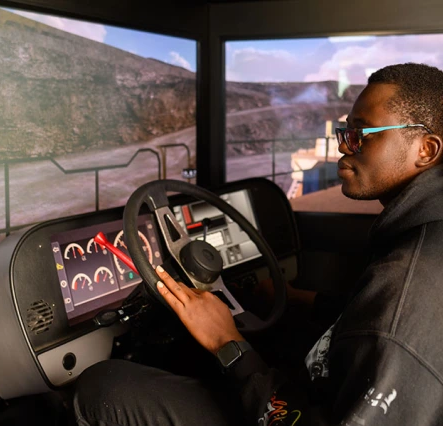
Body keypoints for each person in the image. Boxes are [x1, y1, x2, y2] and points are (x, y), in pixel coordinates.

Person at [73, 63, 443, 425]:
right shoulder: (418, 239)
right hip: (320, 388)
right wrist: (305, 300)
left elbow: (388, 329)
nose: (345, 147)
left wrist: (226, 343)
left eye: (363, 134)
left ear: (426, 150)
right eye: (345, 132)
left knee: (102, 388)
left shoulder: (403, 298)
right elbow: (368, 320)